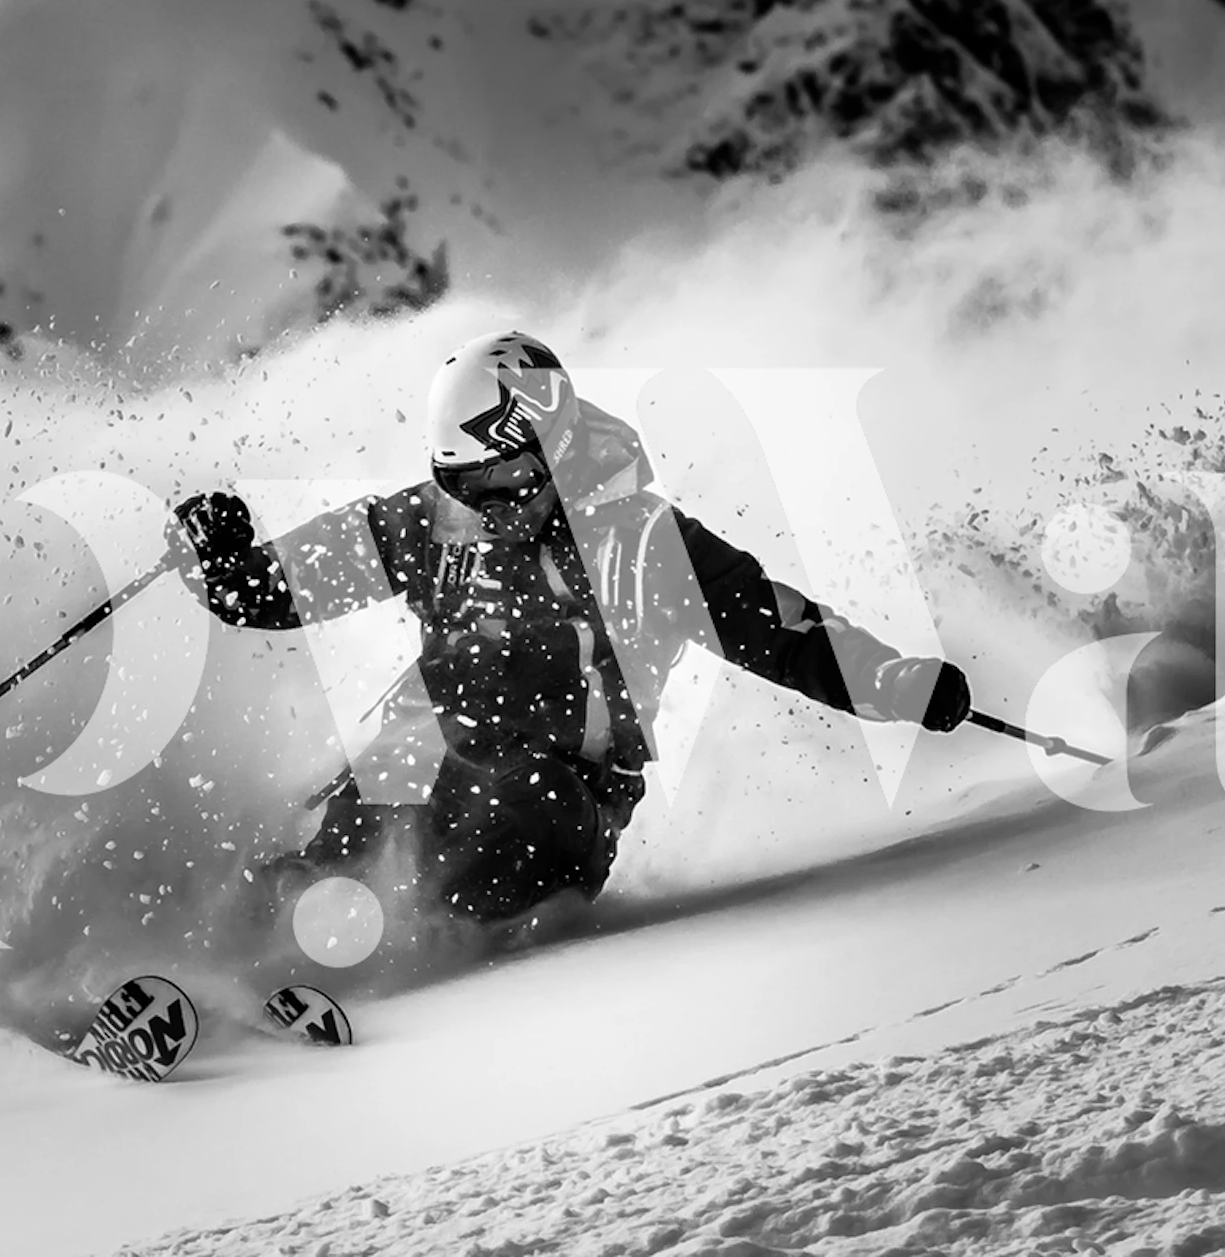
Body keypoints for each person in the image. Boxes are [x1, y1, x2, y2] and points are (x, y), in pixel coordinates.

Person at [175, 330, 973, 923]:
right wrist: (228, 565)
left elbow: (776, 627)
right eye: (465, 486)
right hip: (430, 771)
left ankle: (387, 938)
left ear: (553, 446)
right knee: (390, 774)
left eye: (508, 482)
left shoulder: (641, 542)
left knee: (498, 792)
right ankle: (265, 934)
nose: (490, 508)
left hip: (559, 807)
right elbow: (289, 588)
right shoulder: (434, 523)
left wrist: (892, 681)